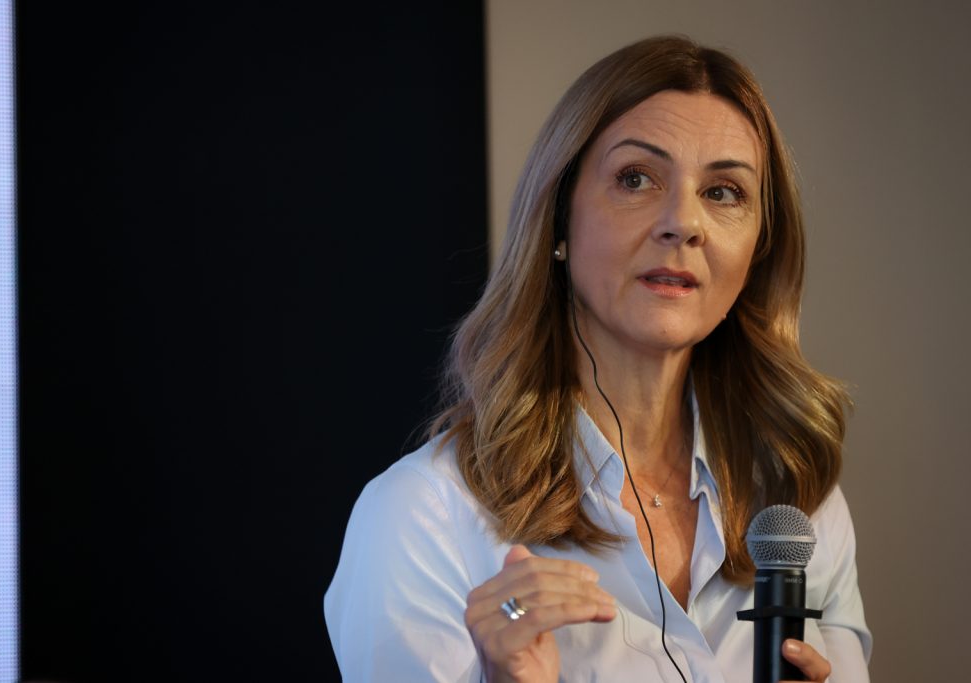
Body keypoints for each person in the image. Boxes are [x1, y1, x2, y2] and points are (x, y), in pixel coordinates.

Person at [324, 35, 872, 682]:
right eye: (635, 179)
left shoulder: (797, 501)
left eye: (724, 192)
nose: (683, 223)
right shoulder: (421, 516)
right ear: (558, 219)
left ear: (759, 248)